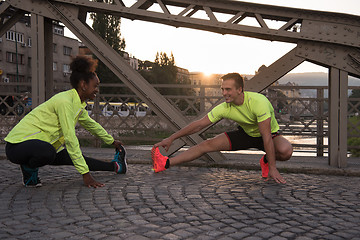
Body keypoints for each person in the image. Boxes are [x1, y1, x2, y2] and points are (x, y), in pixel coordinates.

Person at [5, 56, 127, 188]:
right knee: (49, 152)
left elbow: (91, 125)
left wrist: (111, 141)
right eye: (95, 86)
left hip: (44, 146)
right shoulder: (65, 102)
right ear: (83, 85)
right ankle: (28, 169)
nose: (97, 89)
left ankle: (116, 166)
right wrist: (86, 175)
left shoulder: (77, 104)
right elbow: (70, 138)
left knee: (76, 158)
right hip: (17, 147)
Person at [152, 73, 292, 184]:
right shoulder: (225, 107)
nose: (224, 93)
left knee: (286, 151)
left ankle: (266, 160)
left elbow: (266, 136)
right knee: (206, 145)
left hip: (267, 135)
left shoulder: (258, 102)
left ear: (239, 89)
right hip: (246, 135)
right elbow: (199, 124)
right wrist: (171, 138)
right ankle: (165, 163)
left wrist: (272, 168)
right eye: (222, 89)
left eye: (228, 89)